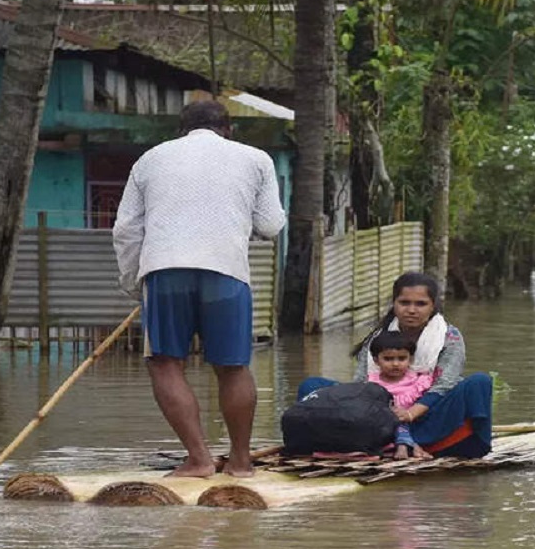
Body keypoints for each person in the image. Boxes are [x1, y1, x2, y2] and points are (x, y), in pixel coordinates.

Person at [113, 101, 286, 478]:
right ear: (229, 129)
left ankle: (199, 459)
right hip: (226, 271)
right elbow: (272, 225)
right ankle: (240, 462)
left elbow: (126, 230)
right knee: (233, 366)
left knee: (164, 362)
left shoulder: (150, 159)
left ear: (181, 130)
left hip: (165, 268)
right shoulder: (256, 159)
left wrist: (133, 282)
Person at [298, 272, 494, 459]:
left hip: (428, 411)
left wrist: (409, 414)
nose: (411, 310)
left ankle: (418, 441)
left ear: (433, 306)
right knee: (313, 386)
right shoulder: (378, 337)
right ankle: (385, 441)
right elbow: (361, 384)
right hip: (379, 413)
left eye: (421, 304)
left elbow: (445, 383)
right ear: (394, 304)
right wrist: (387, 413)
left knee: (479, 382)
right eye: (404, 303)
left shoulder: (449, 337)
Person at [366, 331, 435, 460]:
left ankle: (404, 445)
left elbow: (429, 401)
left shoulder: (419, 381)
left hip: (413, 420)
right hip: (383, 423)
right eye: (388, 359)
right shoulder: (371, 382)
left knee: (400, 420)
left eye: (401, 358)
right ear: (376, 361)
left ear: (411, 359)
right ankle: (409, 445)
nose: (396, 364)